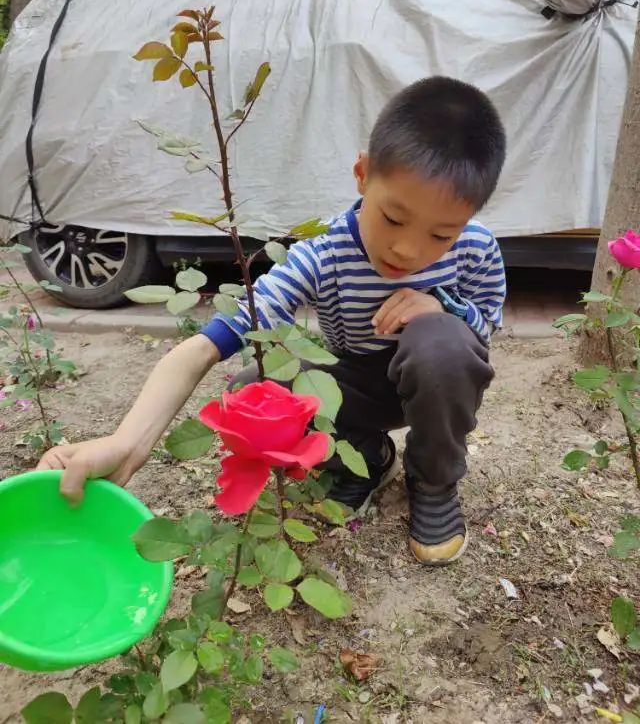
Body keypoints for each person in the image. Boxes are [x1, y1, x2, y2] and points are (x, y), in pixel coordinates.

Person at [38, 76, 506, 567]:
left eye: (440, 234)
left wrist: (441, 307)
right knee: (254, 385)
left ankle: (432, 481)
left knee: (441, 341)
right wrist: (126, 443)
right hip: (352, 392)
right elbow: (206, 346)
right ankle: (366, 458)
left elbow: (484, 327)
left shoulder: (476, 248)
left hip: (435, 386)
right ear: (364, 174)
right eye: (393, 218)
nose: (409, 250)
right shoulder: (324, 255)